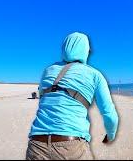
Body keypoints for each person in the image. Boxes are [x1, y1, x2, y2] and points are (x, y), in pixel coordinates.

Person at [26, 32, 119, 160]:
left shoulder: (48, 70)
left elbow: (45, 99)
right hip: (71, 146)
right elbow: (110, 115)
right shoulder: (95, 75)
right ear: (85, 51)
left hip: (36, 144)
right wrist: (110, 135)